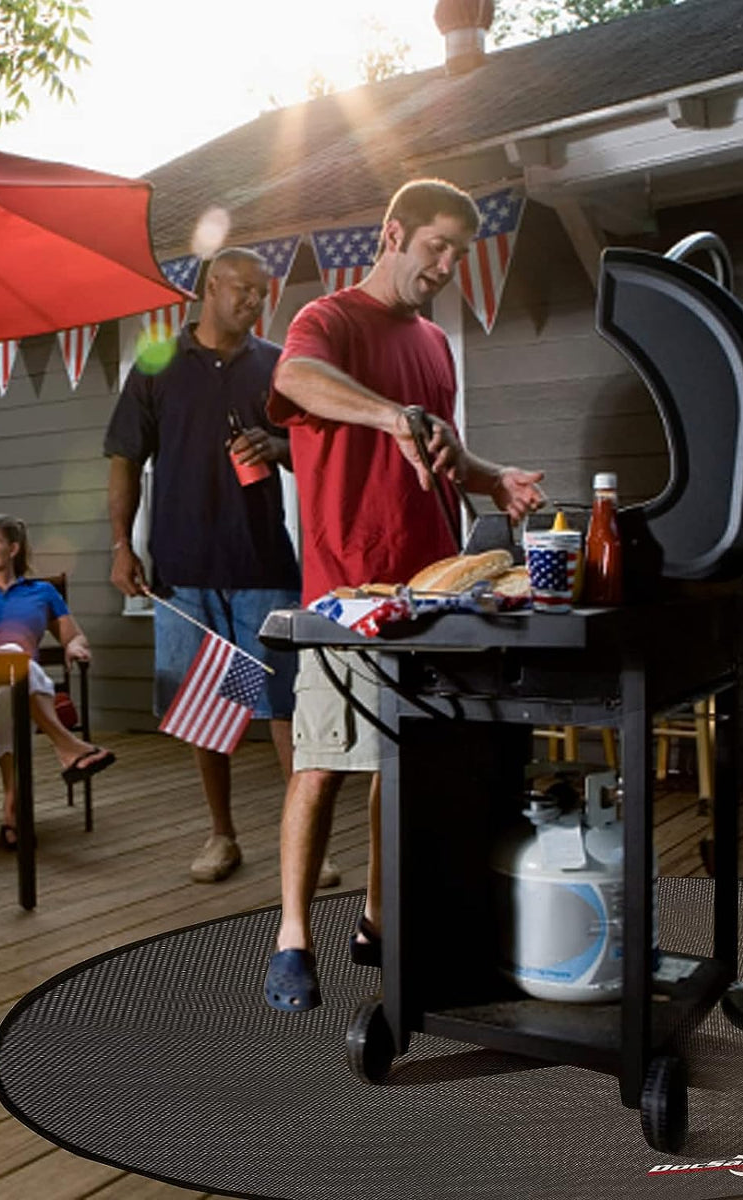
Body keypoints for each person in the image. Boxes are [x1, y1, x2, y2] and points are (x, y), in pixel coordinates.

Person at [261, 179, 546, 1012]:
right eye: (436, 248)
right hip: (347, 587)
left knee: (404, 760)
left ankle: (381, 924)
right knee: (321, 763)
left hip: (432, 586)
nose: (449, 266)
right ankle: (291, 938)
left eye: (461, 254)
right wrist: (389, 417)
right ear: (393, 234)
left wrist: (493, 481)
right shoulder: (330, 319)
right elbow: (300, 379)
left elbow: (440, 448)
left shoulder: (434, 344)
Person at [106, 247, 340, 888]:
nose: (254, 302)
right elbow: (125, 456)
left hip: (264, 560)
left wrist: (279, 445)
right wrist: (122, 545)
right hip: (182, 565)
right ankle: (222, 834)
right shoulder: (156, 365)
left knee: (286, 702)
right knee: (204, 706)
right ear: (212, 287)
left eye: (262, 293)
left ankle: (307, 839)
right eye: (244, 289)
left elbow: (316, 451)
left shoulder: (276, 365)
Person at [0, 514, 116, 849]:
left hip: (19, 688)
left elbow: (73, 637)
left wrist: (76, 648)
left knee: (14, 683)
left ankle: (13, 805)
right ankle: (66, 745)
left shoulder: (42, 592)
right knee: (15, 656)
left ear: (13, 548)